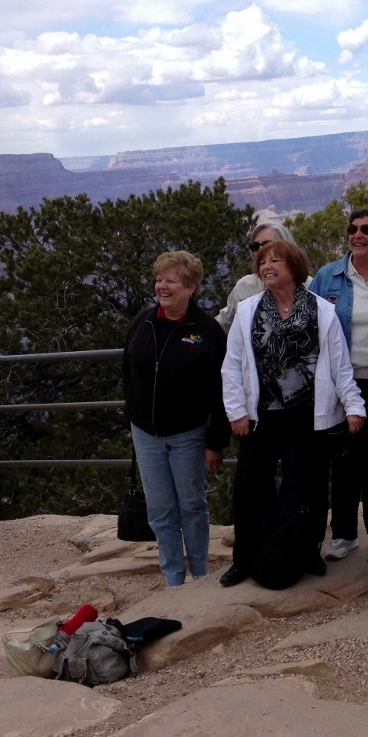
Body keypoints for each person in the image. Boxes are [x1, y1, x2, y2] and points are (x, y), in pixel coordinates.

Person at [219, 240, 366, 587]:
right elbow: (232, 366)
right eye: (262, 262)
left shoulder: (321, 311)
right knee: (248, 485)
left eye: (275, 261)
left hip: (310, 412)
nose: (266, 266)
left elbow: (340, 365)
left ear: (294, 266)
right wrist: (236, 411)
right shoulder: (248, 310)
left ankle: (308, 551)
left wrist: (354, 405)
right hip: (262, 413)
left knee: (312, 487)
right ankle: (244, 559)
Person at [123, 251, 231, 587]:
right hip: (146, 434)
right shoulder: (142, 323)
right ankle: (172, 575)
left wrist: (216, 442)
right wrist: (134, 416)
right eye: (159, 279)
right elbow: (128, 374)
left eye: (171, 280)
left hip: (189, 434)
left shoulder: (207, 331)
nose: (162, 286)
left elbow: (221, 390)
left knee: (192, 506)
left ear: (191, 287)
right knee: (160, 509)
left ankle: (199, 573)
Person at [309, 208, 368, 566]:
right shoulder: (328, 276)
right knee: (344, 459)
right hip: (340, 384)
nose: (357, 235)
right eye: (352, 228)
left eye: (366, 229)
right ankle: (345, 534)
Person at [217, 218, 312, 332]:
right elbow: (223, 324)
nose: (261, 250)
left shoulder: (310, 287)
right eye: (255, 246)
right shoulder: (245, 287)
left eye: (268, 244)